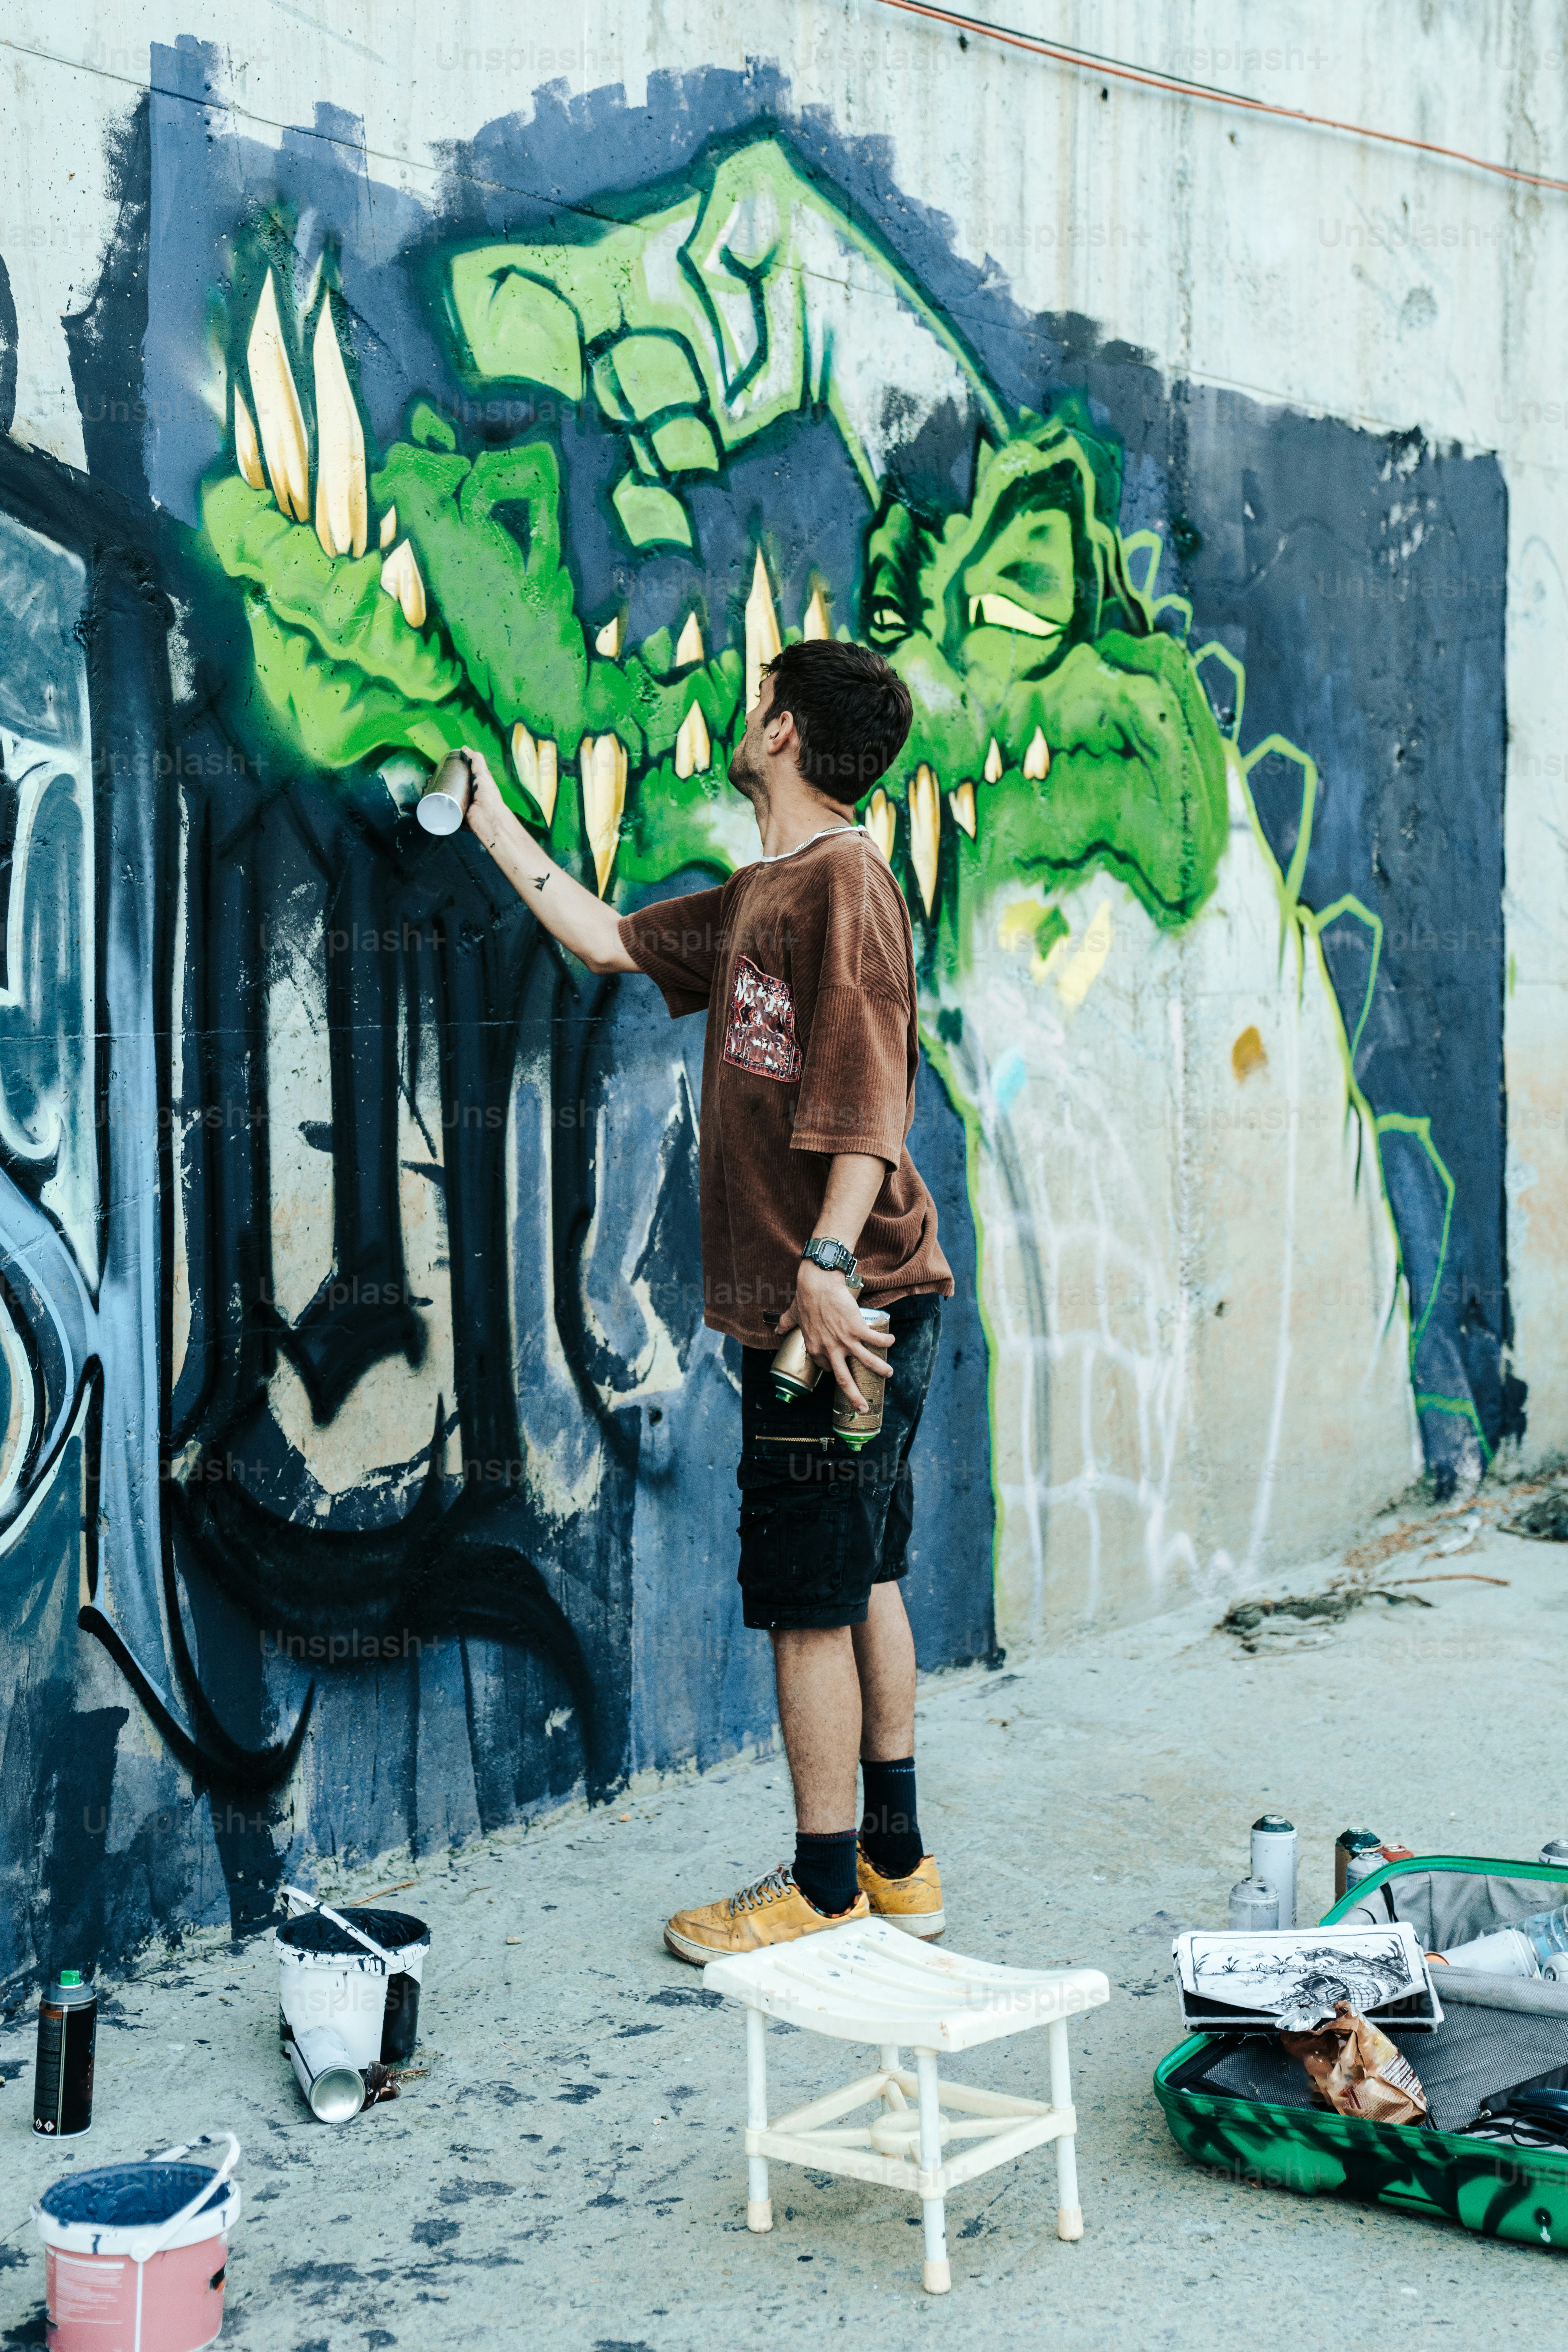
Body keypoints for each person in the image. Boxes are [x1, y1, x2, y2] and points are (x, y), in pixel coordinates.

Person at [461, 636, 954, 1958]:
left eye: (755, 704)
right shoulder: (764, 893)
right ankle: (896, 1861)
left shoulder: (839, 886)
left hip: (830, 1319)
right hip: (861, 1298)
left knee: (808, 1594)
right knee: (869, 1568)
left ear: (784, 733)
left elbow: (868, 1100)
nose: (740, 721)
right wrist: (492, 821)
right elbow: (607, 936)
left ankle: (822, 1882)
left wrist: (825, 1266)